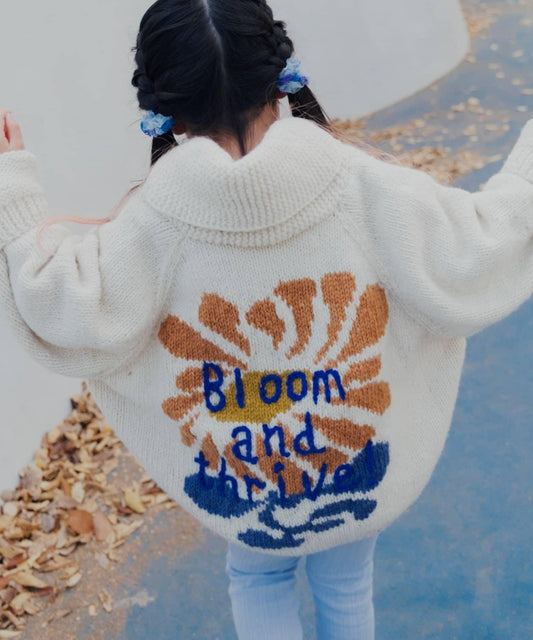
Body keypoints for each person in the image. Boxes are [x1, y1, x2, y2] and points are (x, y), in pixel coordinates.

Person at [0, 1, 531, 638]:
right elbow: (481, 246)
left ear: (165, 109)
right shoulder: (362, 185)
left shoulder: (149, 228)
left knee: (257, 578)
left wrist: (14, 192)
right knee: (347, 581)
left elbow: (61, 303)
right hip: (356, 464)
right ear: (281, 77)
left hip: (245, 483)